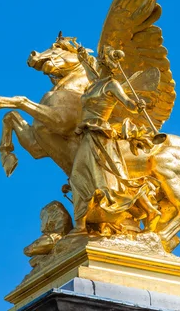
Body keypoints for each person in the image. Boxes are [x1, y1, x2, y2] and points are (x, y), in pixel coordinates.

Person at [68, 45, 160, 235]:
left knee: (110, 183)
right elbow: (86, 66)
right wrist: (81, 56)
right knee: (77, 175)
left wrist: (137, 105)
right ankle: (81, 226)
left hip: (101, 135)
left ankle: (150, 211)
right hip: (87, 134)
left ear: (106, 65)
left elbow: (128, 103)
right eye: (98, 63)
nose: (98, 65)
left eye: (101, 63)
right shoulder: (94, 83)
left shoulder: (112, 85)